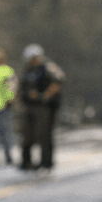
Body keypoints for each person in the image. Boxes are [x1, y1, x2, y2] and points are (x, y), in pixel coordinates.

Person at [17, 43, 64, 171]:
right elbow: (23, 87)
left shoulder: (47, 67)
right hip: (29, 107)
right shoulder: (28, 70)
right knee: (27, 135)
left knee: (43, 135)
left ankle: (46, 162)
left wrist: (44, 96)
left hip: (43, 108)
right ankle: (26, 162)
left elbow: (58, 82)